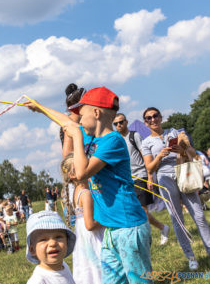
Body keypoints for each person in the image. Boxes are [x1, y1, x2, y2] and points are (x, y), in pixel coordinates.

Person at [26, 86, 152, 284]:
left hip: (129, 227)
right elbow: (66, 122)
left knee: (139, 280)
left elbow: (82, 172)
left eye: (81, 114)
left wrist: (76, 135)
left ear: (96, 113)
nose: (78, 120)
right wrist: (39, 107)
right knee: (111, 281)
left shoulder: (113, 141)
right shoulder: (91, 137)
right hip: (112, 229)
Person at [141, 107, 210, 271]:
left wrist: (183, 150)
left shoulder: (175, 132)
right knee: (177, 219)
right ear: (145, 122)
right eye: (148, 118)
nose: (153, 120)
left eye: (155, 116)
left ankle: (209, 249)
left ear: (160, 117)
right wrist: (159, 156)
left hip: (184, 172)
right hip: (165, 178)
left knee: (199, 215)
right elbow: (150, 168)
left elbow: (194, 154)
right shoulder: (146, 143)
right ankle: (190, 256)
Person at [113, 113, 170, 245]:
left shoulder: (134, 136)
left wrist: (150, 176)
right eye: (115, 124)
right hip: (127, 179)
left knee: (142, 210)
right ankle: (161, 227)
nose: (119, 125)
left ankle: (147, 238)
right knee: (134, 210)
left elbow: (146, 155)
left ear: (126, 122)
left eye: (121, 122)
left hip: (140, 176)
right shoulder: (116, 139)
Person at [61, 153, 103, 284]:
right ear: (73, 175)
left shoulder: (76, 192)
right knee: (97, 264)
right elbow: (90, 225)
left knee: (87, 266)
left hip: (82, 237)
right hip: (92, 237)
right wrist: (107, 219)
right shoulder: (86, 194)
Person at [26, 211, 76, 284]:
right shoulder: (38, 281)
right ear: (32, 250)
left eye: (58, 237)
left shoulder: (64, 266)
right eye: (43, 239)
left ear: (67, 242)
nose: (52, 243)